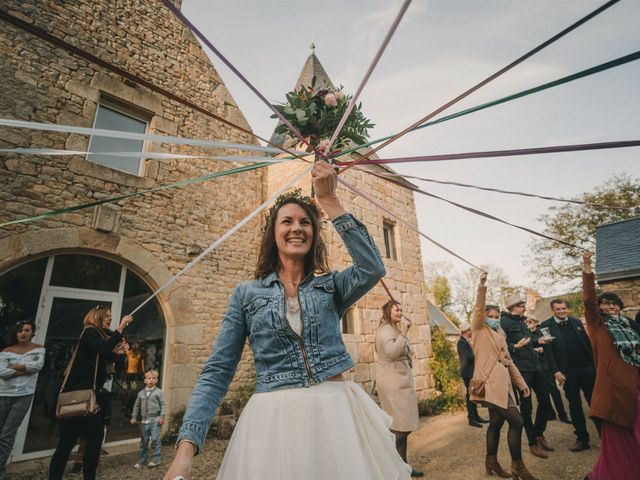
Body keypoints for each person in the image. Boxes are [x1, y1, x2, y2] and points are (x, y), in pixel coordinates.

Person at [163, 161, 410, 480]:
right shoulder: (246, 294)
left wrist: (330, 200)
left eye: (305, 222)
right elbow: (217, 371)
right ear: (274, 233)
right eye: (288, 221)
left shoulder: (330, 287)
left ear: (313, 232)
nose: (297, 228)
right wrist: (186, 449)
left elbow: (372, 267)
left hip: (337, 416)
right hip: (274, 421)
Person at [48, 306, 131, 480]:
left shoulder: (100, 338)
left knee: (73, 440)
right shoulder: (89, 333)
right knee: (85, 437)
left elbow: (112, 358)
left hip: (88, 395)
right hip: (78, 393)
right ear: (98, 317)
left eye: (111, 316)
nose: (110, 319)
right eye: (107, 316)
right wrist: (121, 326)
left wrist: (122, 352)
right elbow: (103, 349)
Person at [470, 273, 537, 480]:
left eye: (498, 316)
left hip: (504, 385)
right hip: (488, 384)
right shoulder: (479, 329)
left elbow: (509, 363)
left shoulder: (500, 335)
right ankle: (518, 466)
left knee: (496, 424)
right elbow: (479, 308)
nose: (495, 319)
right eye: (492, 315)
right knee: (517, 421)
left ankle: (491, 461)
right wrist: (482, 286)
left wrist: (521, 383)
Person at [582, 251, 640, 480]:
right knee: (622, 440)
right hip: (615, 392)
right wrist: (587, 268)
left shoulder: (629, 326)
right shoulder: (598, 326)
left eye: (614, 304)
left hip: (635, 386)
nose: (610, 307)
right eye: (605, 304)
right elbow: (588, 300)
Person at [500, 294, 553, 458]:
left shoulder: (522, 321)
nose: (524, 307)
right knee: (527, 407)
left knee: (545, 402)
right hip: (522, 370)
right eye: (522, 305)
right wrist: (514, 346)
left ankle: (538, 432)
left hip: (536, 367)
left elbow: (528, 342)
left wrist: (539, 342)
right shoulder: (504, 323)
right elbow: (502, 345)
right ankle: (532, 442)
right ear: (514, 307)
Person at [375, 300, 424, 477]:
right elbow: (392, 352)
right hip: (392, 381)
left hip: (400, 379)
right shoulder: (386, 329)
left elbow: (404, 350)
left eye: (401, 309)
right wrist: (404, 332)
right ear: (388, 311)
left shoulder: (393, 328)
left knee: (403, 425)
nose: (400, 312)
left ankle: (403, 468)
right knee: (399, 428)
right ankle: (388, 466)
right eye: (397, 309)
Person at [541, 299, 597, 452]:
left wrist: (594, 366)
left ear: (567, 309)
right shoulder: (546, 326)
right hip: (567, 372)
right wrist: (556, 371)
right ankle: (582, 439)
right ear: (553, 310)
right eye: (558, 309)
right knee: (575, 405)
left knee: (595, 403)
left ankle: (605, 437)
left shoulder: (576, 322)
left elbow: (586, 343)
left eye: (564, 308)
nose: (561, 311)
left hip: (587, 369)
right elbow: (548, 352)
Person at [0, 322, 45, 479]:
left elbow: (37, 366)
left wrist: (13, 366)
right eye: (19, 330)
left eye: (26, 330)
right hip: (4, 393)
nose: (23, 333)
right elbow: (1, 372)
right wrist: (25, 369)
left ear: (32, 332)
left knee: (7, 433)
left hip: (24, 394)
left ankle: (0, 469)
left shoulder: (39, 349)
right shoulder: (7, 351)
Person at [524, 315, 570, 425]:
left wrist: (542, 349)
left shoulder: (542, 331)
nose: (527, 323)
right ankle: (550, 413)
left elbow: (550, 346)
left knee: (554, 391)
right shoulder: (526, 333)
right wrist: (535, 349)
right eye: (526, 322)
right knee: (543, 393)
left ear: (536, 322)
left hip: (546, 366)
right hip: (535, 367)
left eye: (530, 321)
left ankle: (562, 414)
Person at [131, 370, 166, 469]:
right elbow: (137, 406)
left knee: (155, 439)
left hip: (155, 420)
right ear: (145, 381)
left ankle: (157, 459)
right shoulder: (140, 393)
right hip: (144, 421)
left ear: (156, 381)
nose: (151, 380)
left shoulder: (159, 392)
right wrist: (134, 416)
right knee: (144, 441)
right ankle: (142, 461)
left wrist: (162, 417)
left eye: (154, 378)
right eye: (149, 378)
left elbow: (163, 405)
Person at [456, 321, 487, 428]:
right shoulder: (461, 342)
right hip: (467, 372)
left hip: (471, 372)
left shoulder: (467, 341)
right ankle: (471, 419)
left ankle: (476, 417)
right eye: (470, 330)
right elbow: (468, 357)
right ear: (467, 331)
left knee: (473, 395)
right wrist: (477, 352)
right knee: (470, 396)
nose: (472, 332)